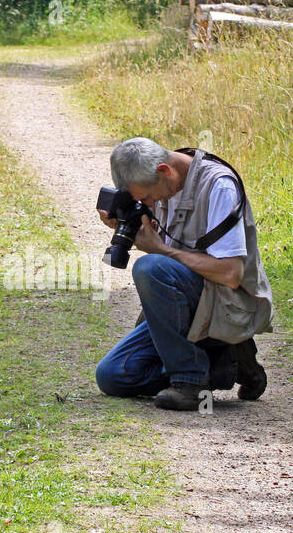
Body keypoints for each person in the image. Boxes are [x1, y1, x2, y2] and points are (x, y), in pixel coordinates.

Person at [94, 137, 273, 410]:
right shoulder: (161, 182)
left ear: (165, 171)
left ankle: (189, 380)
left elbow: (231, 274)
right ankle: (226, 362)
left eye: (148, 197)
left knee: (149, 267)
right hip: (184, 308)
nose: (150, 203)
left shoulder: (219, 187)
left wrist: (161, 250)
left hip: (227, 302)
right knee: (113, 376)